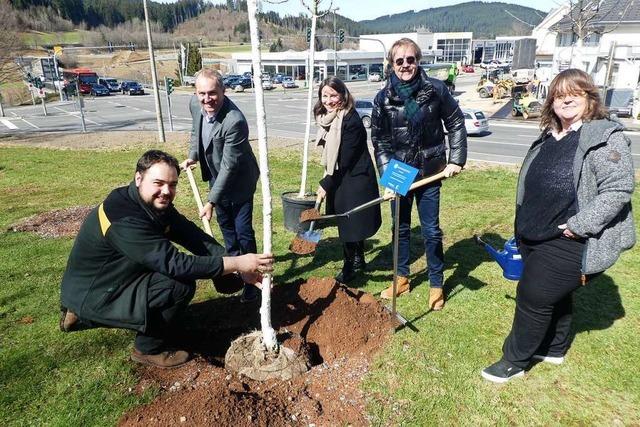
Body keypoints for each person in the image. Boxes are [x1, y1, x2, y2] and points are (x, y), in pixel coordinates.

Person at [481, 69, 635, 383]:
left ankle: (514, 360)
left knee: (534, 295)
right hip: (534, 233)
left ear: (589, 99)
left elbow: (617, 190)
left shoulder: (604, 136)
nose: (565, 100)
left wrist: (579, 225)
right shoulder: (550, 136)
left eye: (573, 94)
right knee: (555, 295)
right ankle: (554, 347)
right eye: (558, 95)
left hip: (570, 237)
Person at [59, 150, 274, 369]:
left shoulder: (145, 202)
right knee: (178, 285)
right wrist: (236, 264)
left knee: (176, 280)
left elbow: (190, 234)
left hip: (115, 277)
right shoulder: (123, 219)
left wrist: (229, 264)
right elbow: (175, 264)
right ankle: (146, 349)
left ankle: (84, 313)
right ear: (138, 178)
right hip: (96, 291)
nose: (166, 191)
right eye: (159, 183)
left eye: (172, 185)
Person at [371, 38, 467, 310]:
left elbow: (456, 122)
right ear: (391, 64)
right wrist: (388, 178)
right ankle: (401, 278)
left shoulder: (435, 90)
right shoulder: (384, 98)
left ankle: (436, 282)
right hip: (399, 169)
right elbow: (380, 141)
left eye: (410, 59)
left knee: (431, 230)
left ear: (418, 60)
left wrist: (456, 159)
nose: (405, 65)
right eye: (399, 61)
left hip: (430, 168)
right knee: (399, 229)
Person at [181, 69, 261, 303]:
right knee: (227, 228)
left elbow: (230, 167)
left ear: (223, 91)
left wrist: (211, 201)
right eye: (202, 94)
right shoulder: (196, 105)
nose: (207, 99)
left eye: (213, 93)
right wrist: (193, 155)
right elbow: (197, 130)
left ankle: (252, 279)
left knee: (243, 231)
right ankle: (236, 269)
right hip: (216, 178)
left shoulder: (234, 121)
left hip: (239, 182)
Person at [313, 77, 382, 283]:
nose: (328, 100)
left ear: (343, 96)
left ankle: (349, 267)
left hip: (356, 177)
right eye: (324, 95)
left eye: (333, 95)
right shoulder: (329, 117)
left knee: (350, 222)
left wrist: (325, 184)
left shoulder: (350, 120)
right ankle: (359, 258)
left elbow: (344, 160)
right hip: (342, 175)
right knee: (350, 220)